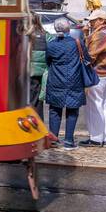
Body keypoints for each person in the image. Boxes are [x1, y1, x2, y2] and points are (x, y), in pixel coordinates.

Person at [43, 17, 87, 148]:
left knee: (55, 110)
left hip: (56, 80)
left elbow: (48, 61)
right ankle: (68, 140)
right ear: (68, 28)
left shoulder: (51, 45)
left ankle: (54, 139)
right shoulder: (77, 43)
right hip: (74, 80)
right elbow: (86, 58)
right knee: (72, 110)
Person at [83, 9, 106, 146]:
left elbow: (90, 56)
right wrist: (87, 34)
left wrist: (86, 37)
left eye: (93, 20)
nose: (91, 22)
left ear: (101, 20)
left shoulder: (99, 35)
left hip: (99, 75)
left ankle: (97, 138)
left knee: (95, 106)